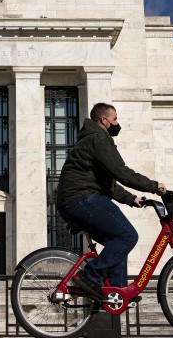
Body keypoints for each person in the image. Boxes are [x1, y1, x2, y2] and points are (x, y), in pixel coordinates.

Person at [55, 102, 166, 302]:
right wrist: (154, 186)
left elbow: (108, 184)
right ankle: (90, 276)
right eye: (114, 119)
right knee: (128, 236)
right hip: (81, 198)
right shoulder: (99, 138)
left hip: (74, 200)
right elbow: (120, 172)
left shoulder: (91, 139)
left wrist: (132, 199)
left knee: (117, 241)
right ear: (104, 120)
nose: (117, 123)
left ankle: (117, 291)